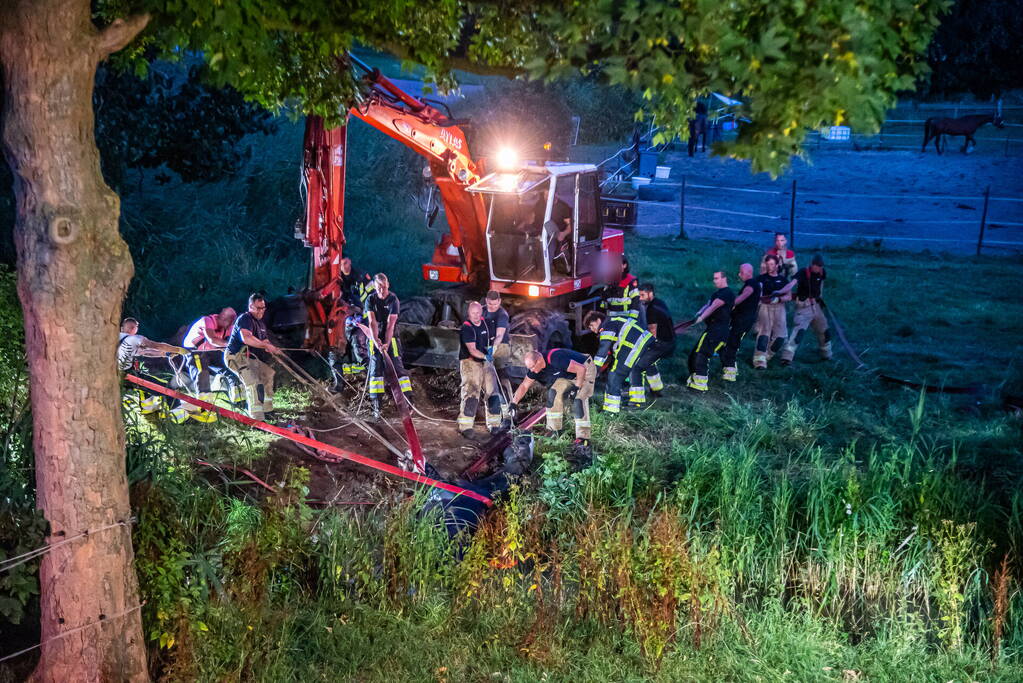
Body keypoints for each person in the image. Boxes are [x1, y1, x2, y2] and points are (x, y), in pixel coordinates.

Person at [509, 348, 596, 447]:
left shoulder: (556, 358)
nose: (531, 370)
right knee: (553, 394)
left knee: (578, 400)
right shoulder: (535, 369)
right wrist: (514, 403)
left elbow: (581, 369)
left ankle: (583, 438)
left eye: (532, 367)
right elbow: (524, 385)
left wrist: (576, 388)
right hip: (569, 375)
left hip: (585, 369)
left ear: (539, 360)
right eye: (529, 368)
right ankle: (554, 431)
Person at [224, 293, 281, 421]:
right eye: (258, 308)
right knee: (253, 383)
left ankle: (267, 410)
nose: (261, 311)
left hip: (250, 358)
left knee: (268, 373)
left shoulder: (260, 324)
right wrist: (267, 346)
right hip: (236, 357)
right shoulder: (245, 319)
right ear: (251, 306)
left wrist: (274, 349)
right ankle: (256, 419)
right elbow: (247, 338)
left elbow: (265, 342)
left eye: (263, 308)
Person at [588, 310, 658, 412]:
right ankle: (637, 403)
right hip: (649, 345)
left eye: (591, 325)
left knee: (615, 375)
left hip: (635, 346)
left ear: (598, 320)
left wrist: (594, 369)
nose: (592, 329)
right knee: (635, 372)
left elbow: (603, 349)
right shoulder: (615, 320)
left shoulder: (607, 326)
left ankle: (611, 410)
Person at [118, 317, 191, 415]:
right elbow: (156, 345)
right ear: (133, 328)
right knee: (166, 388)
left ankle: (147, 409)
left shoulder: (116, 338)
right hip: (128, 376)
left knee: (144, 382)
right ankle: (180, 417)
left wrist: (165, 354)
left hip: (118, 375)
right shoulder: (135, 338)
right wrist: (178, 350)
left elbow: (146, 352)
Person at [365, 273, 413, 418]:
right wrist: (375, 341)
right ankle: (377, 407)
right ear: (374, 286)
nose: (381, 290)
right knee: (375, 371)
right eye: (379, 287)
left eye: (384, 287)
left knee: (398, 368)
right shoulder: (370, 299)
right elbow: (372, 322)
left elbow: (391, 324)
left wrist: (386, 343)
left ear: (388, 285)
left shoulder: (393, 299)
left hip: (390, 336)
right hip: (375, 336)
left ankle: (408, 402)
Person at [458, 302, 506, 438]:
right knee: (472, 392)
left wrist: (493, 347)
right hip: (471, 362)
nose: (476, 316)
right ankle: (466, 426)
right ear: (469, 313)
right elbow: (472, 350)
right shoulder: (467, 328)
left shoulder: (485, 323)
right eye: (473, 313)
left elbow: (492, 337)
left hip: (485, 362)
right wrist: (485, 355)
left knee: (493, 392)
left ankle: (494, 424)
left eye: (478, 313)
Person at [685, 270, 734, 392]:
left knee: (701, 353)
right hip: (713, 329)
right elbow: (708, 305)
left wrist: (701, 318)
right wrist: (698, 314)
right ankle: (693, 381)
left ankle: (699, 386)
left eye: (717, 278)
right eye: (714, 278)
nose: (714, 281)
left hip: (718, 330)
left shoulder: (727, 293)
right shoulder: (717, 293)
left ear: (724, 279)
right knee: (694, 354)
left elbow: (714, 306)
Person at [781, 255, 832, 365]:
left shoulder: (822, 273)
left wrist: (820, 297)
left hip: (816, 307)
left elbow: (821, 284)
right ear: (811, 264)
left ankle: (826, 355)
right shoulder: (803, 272)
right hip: (804, 307)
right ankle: (786, 357)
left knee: (824, 332)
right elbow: (792, 284)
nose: (817, 268)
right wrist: (781, 291)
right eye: (816, 265)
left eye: (819, 266)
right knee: (798, 333)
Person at [182, 307, 238, 408]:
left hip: (212, 351)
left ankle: (239, 399)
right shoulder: (207, 320)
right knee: (202, 373)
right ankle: (205, 407)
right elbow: (213, 340)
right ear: (225, 318)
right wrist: (232, 345)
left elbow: (236, 338)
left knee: (231, 367)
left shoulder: (228, 326)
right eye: (229, 323)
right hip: (195, 352)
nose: (230, 326)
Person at [720, 264, 762, 382]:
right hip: (741, 320)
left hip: (742, 321)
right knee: (729, 342)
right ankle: (731, 368)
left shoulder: (751, 284)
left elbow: (745, 295)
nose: (739, 275)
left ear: (749, 272)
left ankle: (730, 373)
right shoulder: (751, 284)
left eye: (741, 272)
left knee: (732, 344)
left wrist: (730, 304)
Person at [753, 254, 794, 369]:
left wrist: (779, 299)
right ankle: (759, 362)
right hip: (765, 307)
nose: (769, 267)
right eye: (767, 264)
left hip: (779, 308)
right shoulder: (760, 278)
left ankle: (767, 356)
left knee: (781, 336)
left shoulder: (783, 279)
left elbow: (789, 296)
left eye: (771, 264)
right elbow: (755, 294)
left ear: (777, 265)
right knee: (764, 334)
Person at [638, 283, 675, 395]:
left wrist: (643, 346)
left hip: (662, 344)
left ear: (650, 293)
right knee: (649, 361)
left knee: (639, 364)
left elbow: (652, 331)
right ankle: (656, 389)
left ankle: (637, 394)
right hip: (670, 341)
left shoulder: (651, 309)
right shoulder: (660, 302)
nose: (640, 298)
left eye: (642, 295)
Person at [482, 290, 513, 399]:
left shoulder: (502, 315)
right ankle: (490, 399)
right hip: (485, 345)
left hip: (501, 346)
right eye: (490, 303)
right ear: (486, 300)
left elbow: (499, 335)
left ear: (499, 301)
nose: (492, 306)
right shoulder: (482, 311)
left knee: (501, 374)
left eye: (495, 304)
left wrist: (492, 349)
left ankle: (508, 400)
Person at [601, 255, 642, 323]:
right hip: (611, 318)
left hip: (626, 318)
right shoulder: (610, 280)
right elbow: (604, 301)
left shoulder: (631, 281)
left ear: (624, 265)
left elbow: (635, 300)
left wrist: (632, 319)